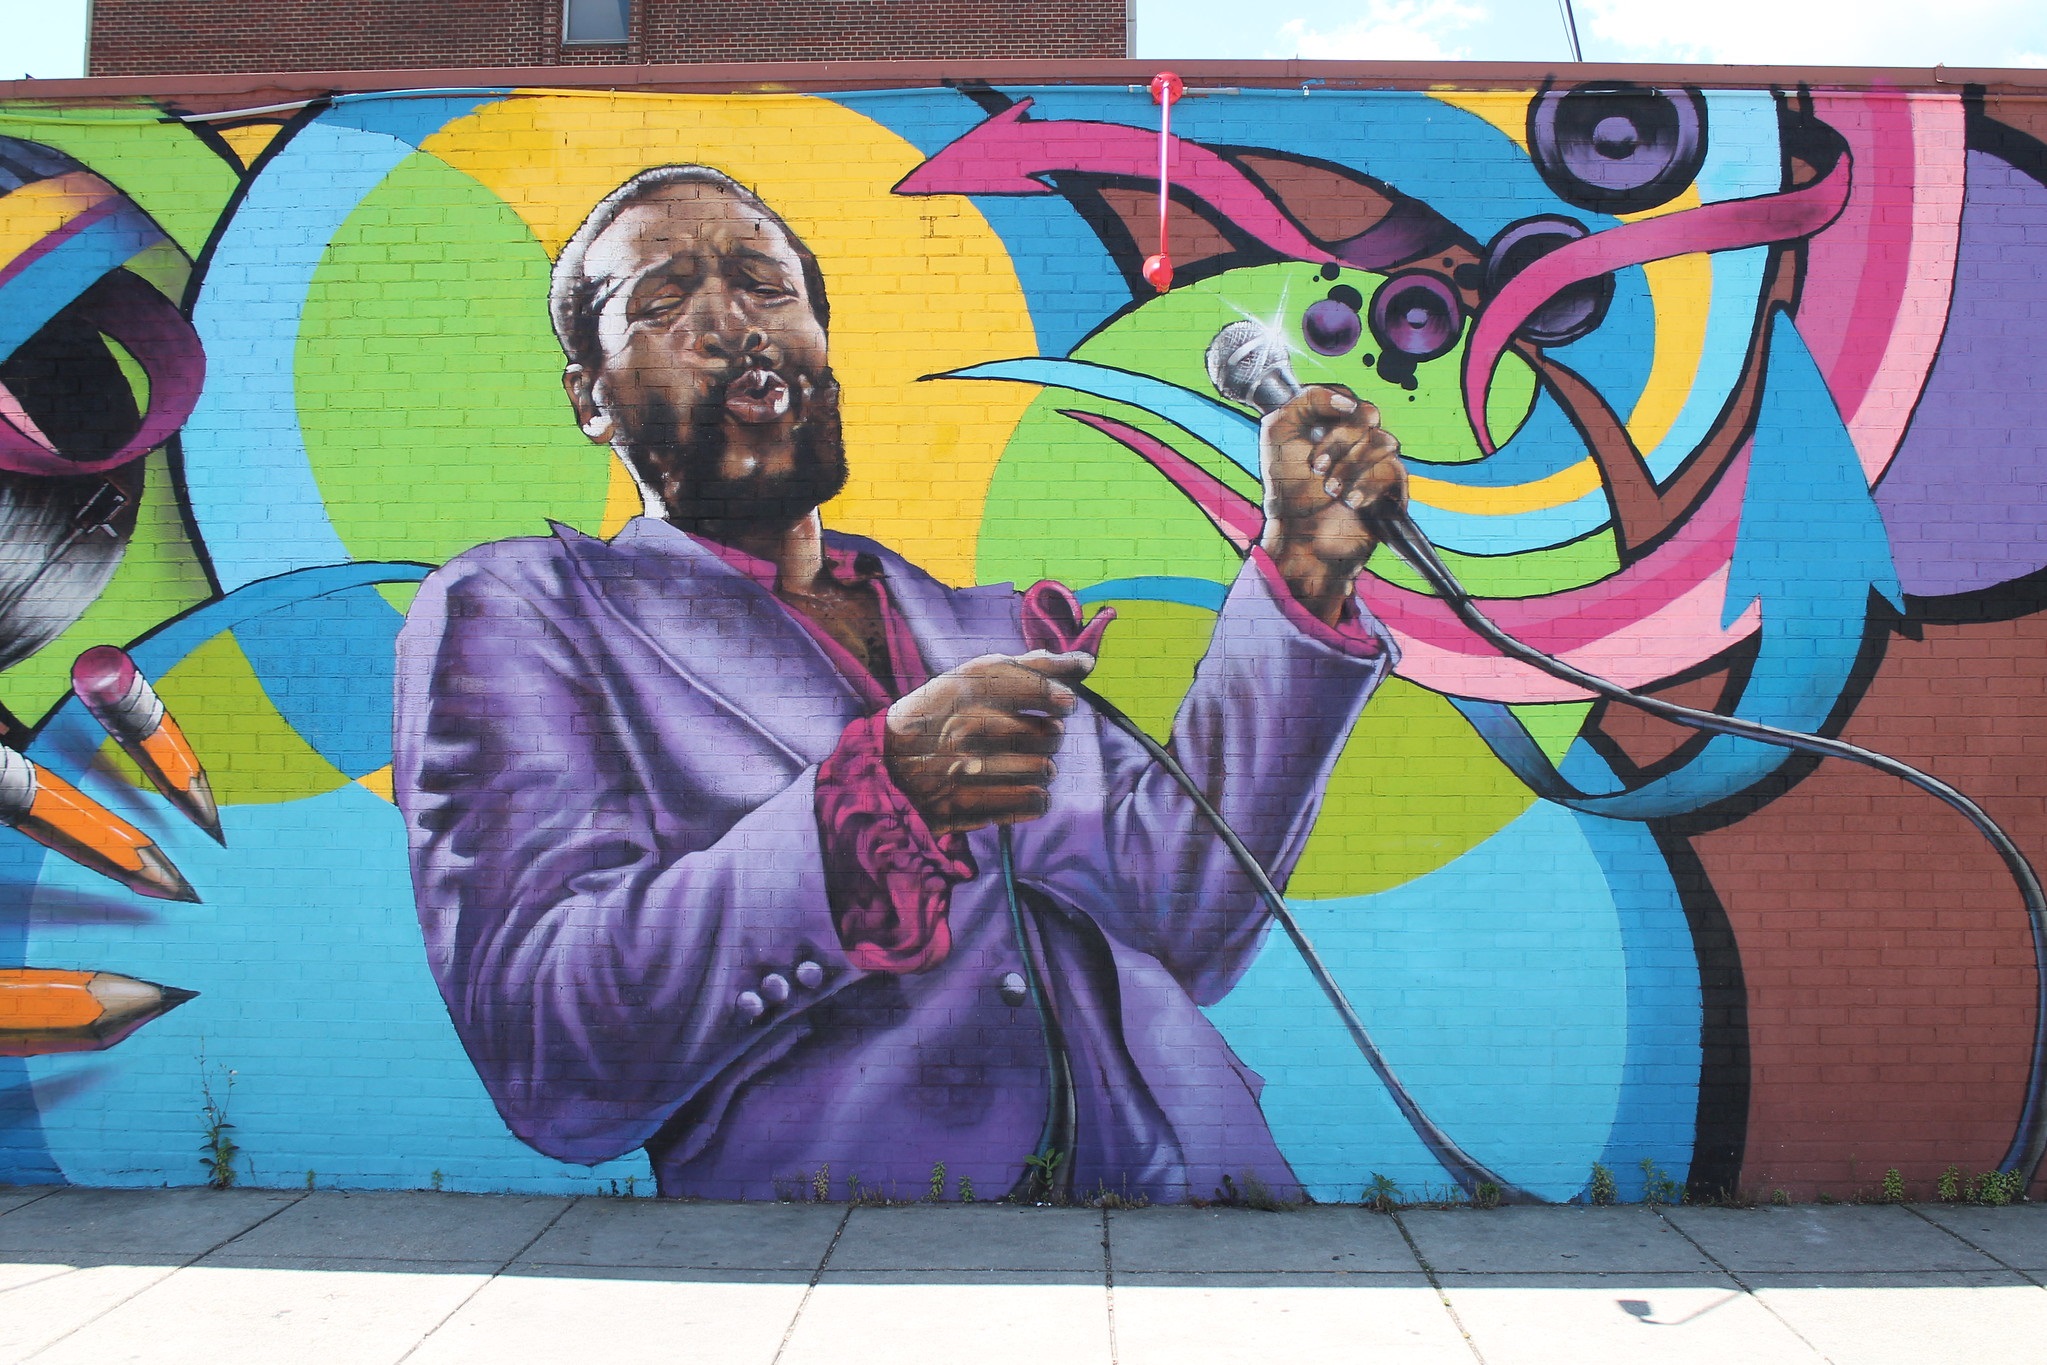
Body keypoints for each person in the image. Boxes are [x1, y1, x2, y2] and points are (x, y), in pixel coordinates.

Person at [393, 165, 1410, 1202]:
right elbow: (549, 1051)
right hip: (865, 1241)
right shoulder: (531, 611)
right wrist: (868, 805)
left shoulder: (981, 628)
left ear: (820, 340)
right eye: (662, 302)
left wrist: (1301, 568)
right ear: (590, 399)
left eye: (765, 285)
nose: (731, 322)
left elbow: (1181, 923)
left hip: (1191, 1200)